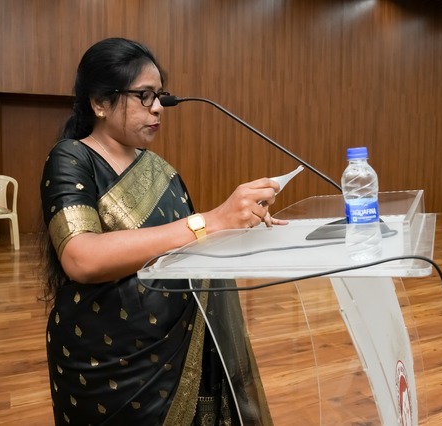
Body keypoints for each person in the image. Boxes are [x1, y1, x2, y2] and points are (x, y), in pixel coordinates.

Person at [40, 37, 284, 425]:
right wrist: (211, 220)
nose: (157, 108)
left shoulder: (160, 170)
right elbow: (80, 258)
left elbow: (186, 243)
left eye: (159, 95)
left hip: (177, 346)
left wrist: (240, 225)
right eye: (144, 96)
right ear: (99, 102)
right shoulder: (71, 157)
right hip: (104, 362)